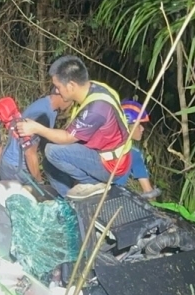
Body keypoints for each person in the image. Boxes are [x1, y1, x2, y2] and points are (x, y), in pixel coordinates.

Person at [14, 55, 131, 199]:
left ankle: (91, 184)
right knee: (49, 164)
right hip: (101, 153)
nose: (56, 91)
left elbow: (67, 138)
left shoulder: (97, 108)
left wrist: (36, 128)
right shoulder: (93, 88)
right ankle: (68, 200)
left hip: (111, 164)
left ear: (71, 86)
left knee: (52, 151)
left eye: (58, 87)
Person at [0, 90, 72, 188]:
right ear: (64, 95)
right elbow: (29, 153)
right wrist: (39, 182)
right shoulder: (42, 115)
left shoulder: (47, 106)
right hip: (16, 169)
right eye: (72, 101)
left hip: (10, 162)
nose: (71, 105)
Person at [120, 99, 161, 200]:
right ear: (128, 127)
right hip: (116, 200)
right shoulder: (133, 153)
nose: (142, 129)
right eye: (139, 125)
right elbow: (148, 192)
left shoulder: (102, 144)